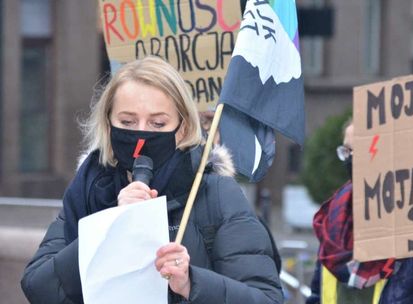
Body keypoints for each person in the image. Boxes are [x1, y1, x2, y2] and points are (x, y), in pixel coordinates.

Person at [20, 56, 283, 304]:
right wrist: (111, 227)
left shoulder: (217, 194)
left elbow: (266, 298)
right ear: (109, 125)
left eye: (157, 124)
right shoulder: (88, 189)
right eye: (128, 121)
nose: (141, 134)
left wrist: (192, 283)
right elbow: (38, 287)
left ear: (181, 129)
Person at [306, 119, 413, 304]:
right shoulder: (334, 218)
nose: (352, 160)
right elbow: (318, 294)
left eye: (363, 151)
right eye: (348, 151)